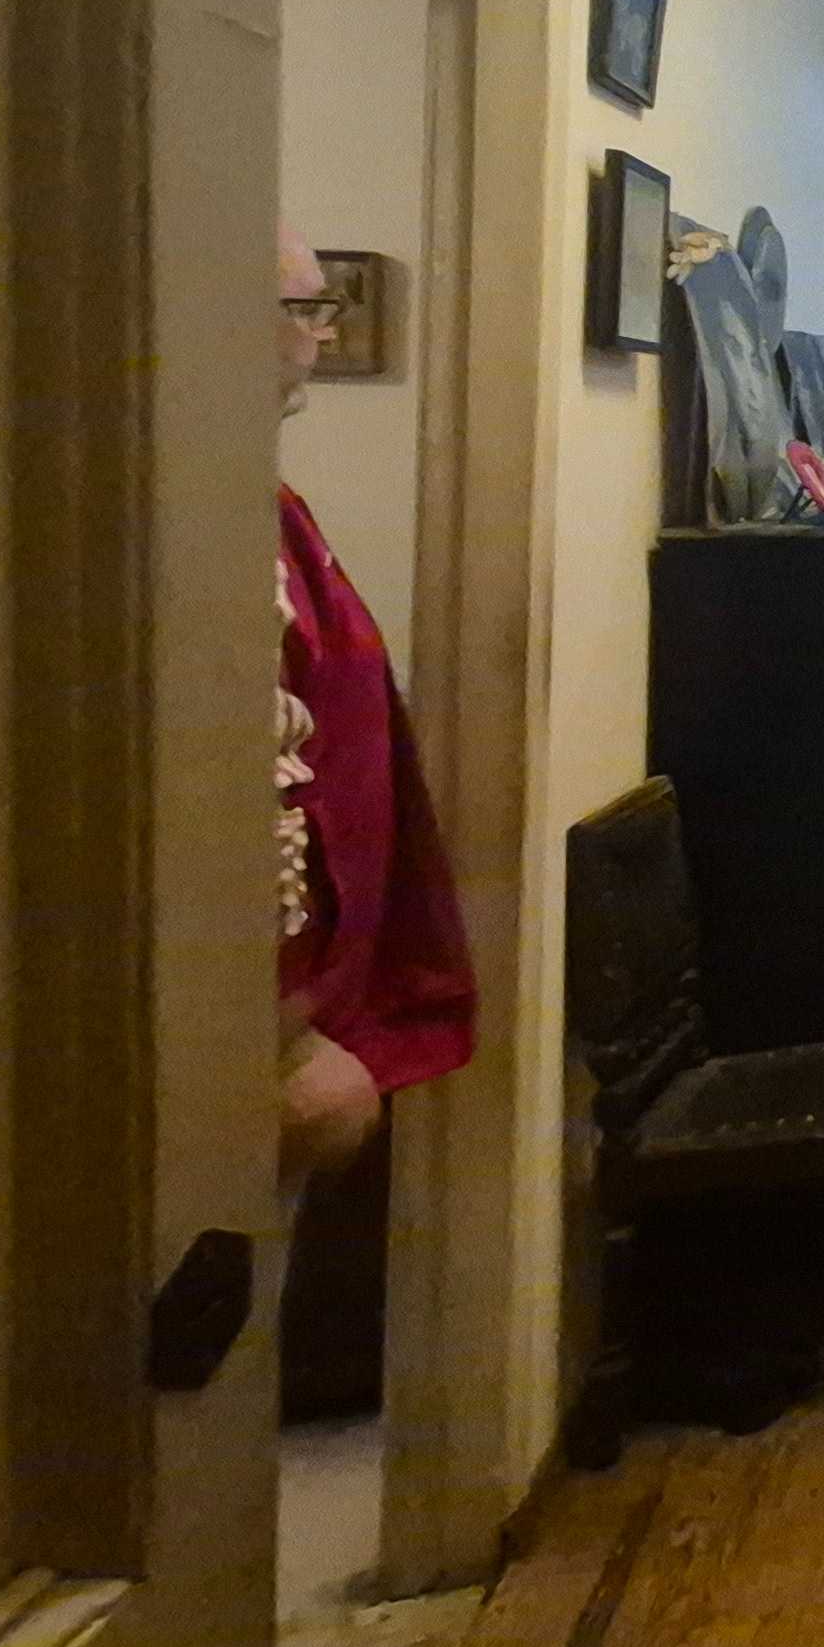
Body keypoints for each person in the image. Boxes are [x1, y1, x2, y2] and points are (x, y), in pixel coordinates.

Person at [278, 230, 476, 1182]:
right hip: (273, 1042)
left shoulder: (274, 505)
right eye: (306, 308)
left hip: (318, 1026)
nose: (323, 333)